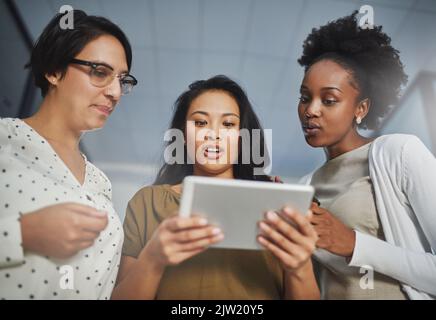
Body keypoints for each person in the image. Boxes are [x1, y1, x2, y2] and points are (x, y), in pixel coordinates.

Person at [274, 11, 436, 299]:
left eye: (329, 100)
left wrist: (354, 244)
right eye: (304, 97)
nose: (311, 110)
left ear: (360, 109)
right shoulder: (303, 187)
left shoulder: (399, 154)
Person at [111, 75, 318, 299]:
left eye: (228, 124)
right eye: (200, 122)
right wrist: (153, 258)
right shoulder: (147, 202)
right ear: (182, 134)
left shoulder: (277, 206)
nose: (214, 134)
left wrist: (301, 267)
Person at [0, 10, 137, 299]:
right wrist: (23, 234)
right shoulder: (5, 140)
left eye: (122, 80)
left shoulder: (100, 181)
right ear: (53, 70)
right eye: (100, 72)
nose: (115, 92)